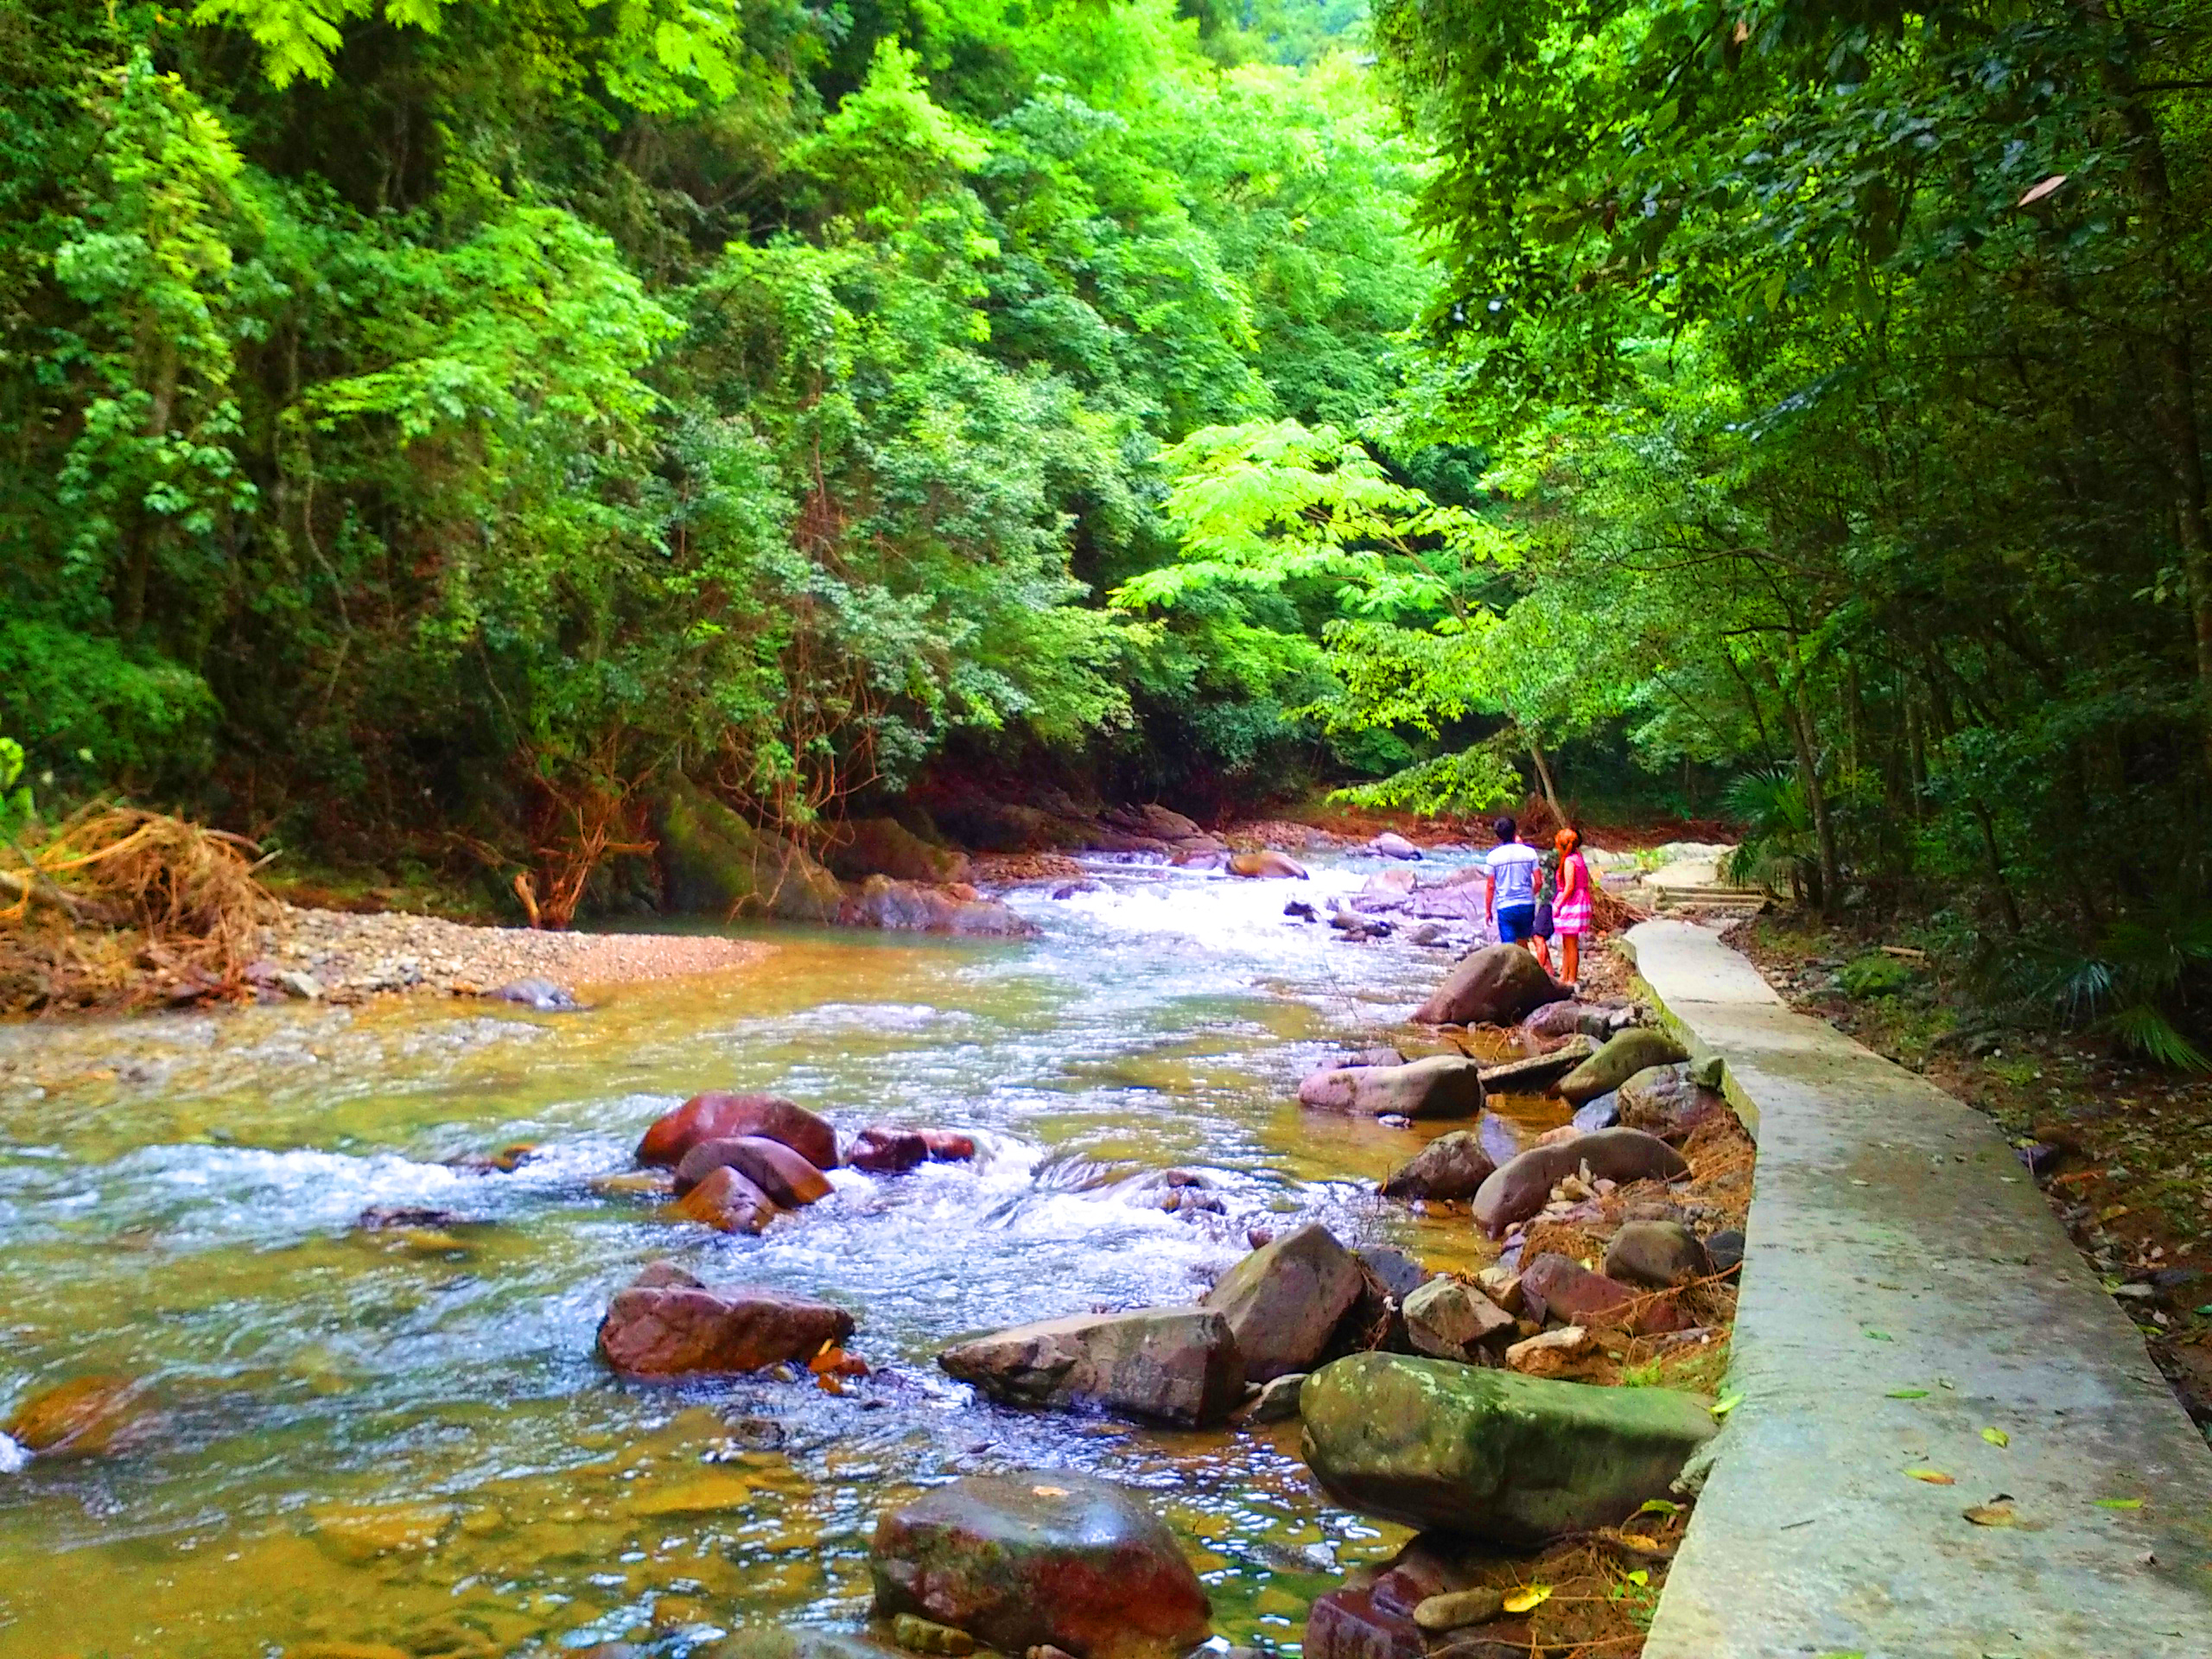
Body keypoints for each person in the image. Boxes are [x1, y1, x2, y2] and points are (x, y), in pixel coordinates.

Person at [1484, 816, 1543, 954]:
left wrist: (1488, 910)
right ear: (1515, 831)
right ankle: (1528, 971)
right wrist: (1530, 894)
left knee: (1509, 947)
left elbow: (1491, 886)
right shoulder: (1529, 853)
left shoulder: (1493, 856)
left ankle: (1514, 973)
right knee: (1523, 942)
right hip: (1527, 904)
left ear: (1498, 835)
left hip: (1506, 906)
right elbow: (1539, 881)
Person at [1552, 825, 1592, 988]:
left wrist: (1558, 904)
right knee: (1568, 942)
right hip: (1580, 901)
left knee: (1570, 944)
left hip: (1572, 903)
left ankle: (1571, 978)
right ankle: (1565, 974)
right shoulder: (1578, 858)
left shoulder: (1569, 861)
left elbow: (1569, 887)